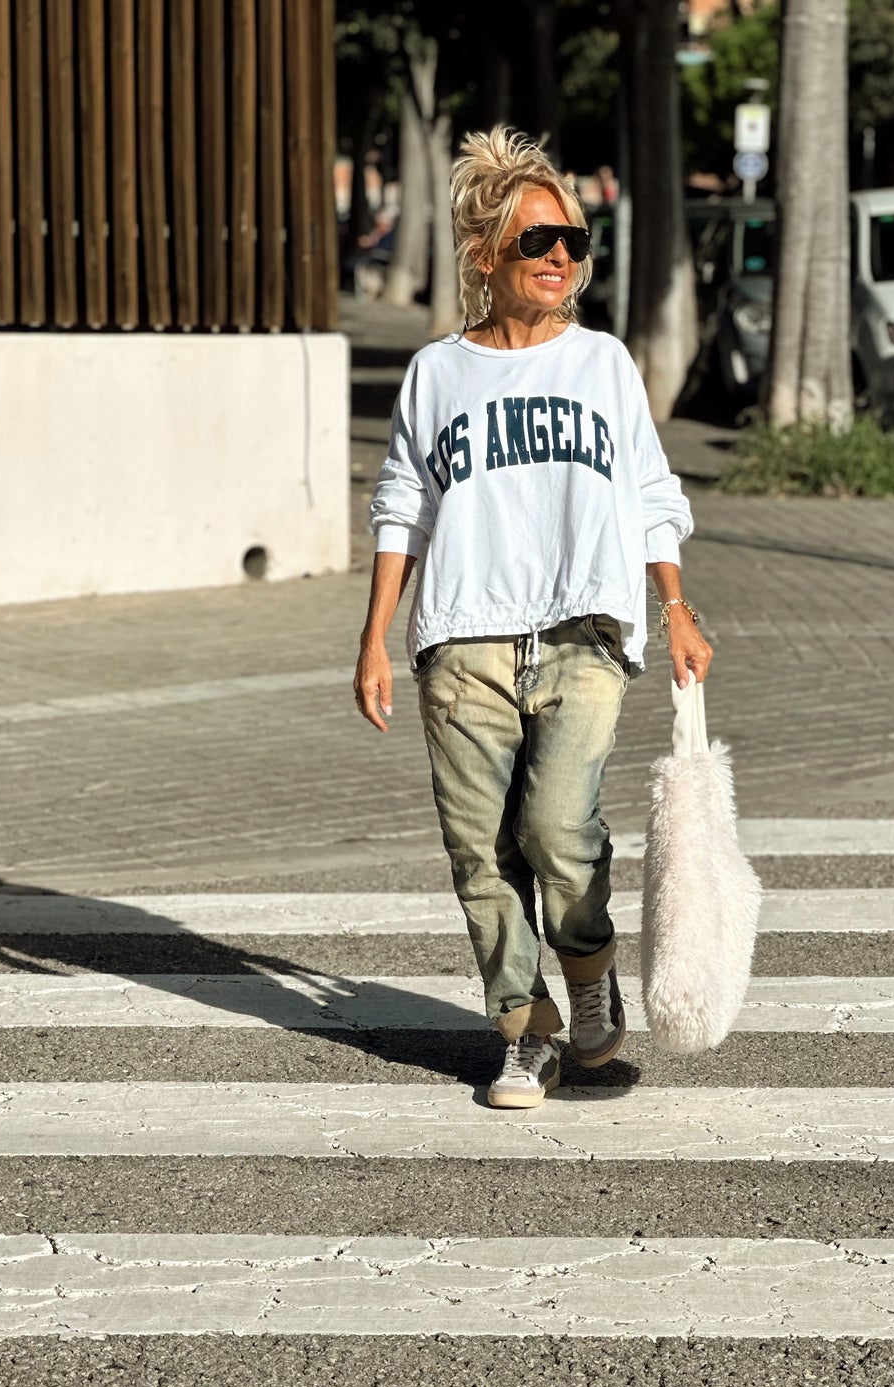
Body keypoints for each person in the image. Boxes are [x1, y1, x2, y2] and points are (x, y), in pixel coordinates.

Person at [355, 125, 711, 1109]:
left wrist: (674, 605)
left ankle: (589, 977)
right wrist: (375, 637)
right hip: (461, 642)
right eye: (535, 243)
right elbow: (401, 503)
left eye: (572, 243)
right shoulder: (437, 374)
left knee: (557, 833)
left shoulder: (601, 365)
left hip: (582, 636)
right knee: (481, 855)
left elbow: (649, 489)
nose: (559, 258)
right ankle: (525, 1031)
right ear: (485, 258)